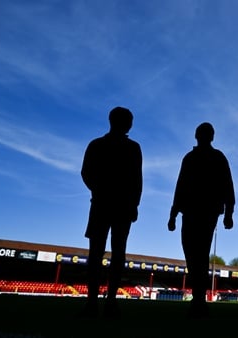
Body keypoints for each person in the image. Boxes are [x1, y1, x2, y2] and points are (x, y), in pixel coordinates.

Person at [80, 106, 143, 319]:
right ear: (126, 123)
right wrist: (134, 204)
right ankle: (110, 303)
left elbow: (86, 173)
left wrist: (99, 189)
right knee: (116, 254)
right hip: (119, 206)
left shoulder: (97, 144)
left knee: (97, 253)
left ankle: (93, 304)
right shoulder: (132, 148)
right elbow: (137, 181)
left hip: (101, 204)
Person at [168, 122, 235, 318]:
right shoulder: (194, 158)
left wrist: (229, 212)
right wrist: (173, 214)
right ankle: (199, 298)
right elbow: (180, 186)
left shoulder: (212, 157)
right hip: (193, 211)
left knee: (198, 255)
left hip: (203, 211)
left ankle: (199, 299)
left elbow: (226, 186)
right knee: (194, 255)